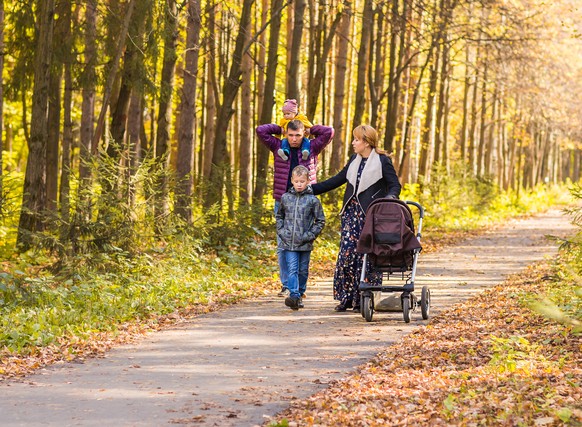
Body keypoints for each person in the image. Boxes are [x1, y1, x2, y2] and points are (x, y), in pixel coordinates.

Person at [311, 125, 401, 312]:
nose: (353, 143)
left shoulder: (383, 161)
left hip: (372, 215)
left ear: (367, 142)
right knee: (347, 255)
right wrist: (312, 189)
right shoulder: (354, 160)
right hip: (351, 215)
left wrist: (390, 198)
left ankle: (365, 298)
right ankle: (347, 298)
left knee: (367, 256)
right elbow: (337, 179)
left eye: (356, 139)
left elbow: (394, 185)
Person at [256, 119, 334, 297]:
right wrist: (280, 126)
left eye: (298, 135)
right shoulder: (278, 147)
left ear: (303, 134)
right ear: (285, 134)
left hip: (306, 201)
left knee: (304, 243)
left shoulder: (312, 147)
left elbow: (328, 132)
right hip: (283, 201)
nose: (293, 139)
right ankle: (287, 285)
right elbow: (261, 130)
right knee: (282, 244)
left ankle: (299, 285)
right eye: (290, 135)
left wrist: (309, 126)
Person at [276, 165, 325, 310]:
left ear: (308, 181)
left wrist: (309, 235)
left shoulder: (313, 200)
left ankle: (300, 293)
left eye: (302, 181)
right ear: (291, 180)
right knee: (292, 269)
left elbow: (320, 221)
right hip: (289, 242)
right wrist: (282, 231)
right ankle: (294, 295)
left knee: (303, 270)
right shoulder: (285, 198)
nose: (299, 184)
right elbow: (279, 216)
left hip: (304, 243)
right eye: (296, 181)